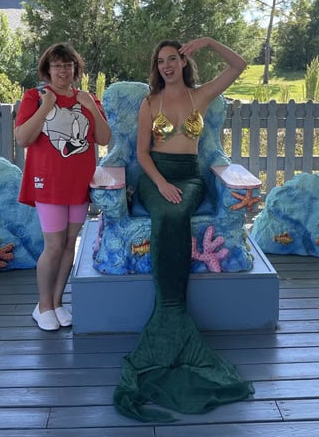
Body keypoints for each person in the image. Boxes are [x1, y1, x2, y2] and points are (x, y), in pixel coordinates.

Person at [113, 37, 254, 422]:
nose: (166, 66)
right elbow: (142, 152)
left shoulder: (200, 97)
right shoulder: (149, 103)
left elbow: (239, 65)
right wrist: (158, 183)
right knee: (166, 213)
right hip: (155, 176)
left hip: (190, 178)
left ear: (183, 61)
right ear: (156, 67)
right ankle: (169, 310)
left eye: (172, 59)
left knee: (176, 214)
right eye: (160, 61)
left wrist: (208, 42)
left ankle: (172, 312)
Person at [15, 43, 111, 331]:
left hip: (78, 185)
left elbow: (104, 138)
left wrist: (91, 106)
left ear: (75, 69)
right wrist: (46, 106)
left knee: (70, 244)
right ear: (47, 69)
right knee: (54, 246)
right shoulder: (35, 96)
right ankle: (42, 305)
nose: (62, 70)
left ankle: (57, 303)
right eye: (56, 65)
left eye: (68, 65)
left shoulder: (87, 98)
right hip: (49, 185)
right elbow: (23, 138)